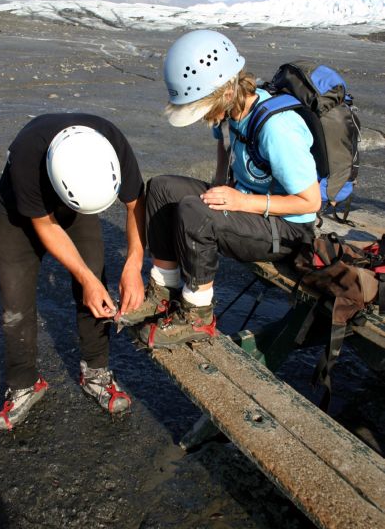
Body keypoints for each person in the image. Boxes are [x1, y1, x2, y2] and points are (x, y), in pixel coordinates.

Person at [121, 29, 321, 348]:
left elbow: (310, 202)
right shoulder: (229, 112)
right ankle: (163, 291)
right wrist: (219, 185)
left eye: (202, 106)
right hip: (247, 205)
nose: (202, 117)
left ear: (226, 91)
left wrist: (240, 202)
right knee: (160, 189)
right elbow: (224, 145)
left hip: (288, 230)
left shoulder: (277, 129)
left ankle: (198, 314)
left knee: (195, 212)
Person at [0, 113, 145, 430]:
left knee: (96, 284)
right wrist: (84, 278)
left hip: (76, 202)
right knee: (15, 303)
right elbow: (45, 225)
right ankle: (24, 384)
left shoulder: (111, 140)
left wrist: (134, 263)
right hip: (19, 211)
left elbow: (135, 204)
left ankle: (96, 373)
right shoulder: (26, 155)